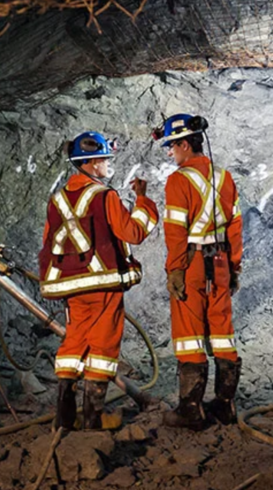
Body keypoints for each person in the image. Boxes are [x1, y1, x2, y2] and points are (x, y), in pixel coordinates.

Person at [38, 131, 158, 430]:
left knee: (75, 341)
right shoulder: (105, 196)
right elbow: (133, 233)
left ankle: (64, 417)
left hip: (72, 287)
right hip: (102, 284)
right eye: (104, 159)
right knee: (103, 346)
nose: (107, 164)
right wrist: (143, 201)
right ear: (91, 163)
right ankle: (93, 419)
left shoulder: (57, 200)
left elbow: (48, 243)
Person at [153, 113, 243, 429]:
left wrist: (175, 270)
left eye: (171, 146)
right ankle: (225, 405)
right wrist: (234, 267)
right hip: (220, 262)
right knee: (222, 331)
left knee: (189, 334)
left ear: (184, 144)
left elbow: (176, 232)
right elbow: (235, 227)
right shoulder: (225, 178)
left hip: (191, 264)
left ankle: (190, 410)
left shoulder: (178, 181)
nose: (169, 153)